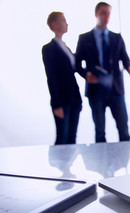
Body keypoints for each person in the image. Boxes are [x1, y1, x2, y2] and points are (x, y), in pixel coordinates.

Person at [75, 2, 130, 143]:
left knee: (124, 130)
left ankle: (126, 163)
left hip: (115, 89)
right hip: (96, 90)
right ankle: (102, 164)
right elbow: (77, 63)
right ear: (96, 14)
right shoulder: (84, 38)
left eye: (108, 13)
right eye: (103, 13)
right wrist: (85, 75)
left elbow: (125, 59)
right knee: (100, 132)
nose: (106, 16)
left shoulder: (117, 38)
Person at [42, 12, 82, 145]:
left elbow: (76, 68)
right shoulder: (48, 49)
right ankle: (59, 166)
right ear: (54, 24)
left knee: (72, 138)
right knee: (62, 138)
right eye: (63, 21)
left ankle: (68, 166)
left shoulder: (67, 48)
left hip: (74, 99)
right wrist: (57, 104)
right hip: (62, 101)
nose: (66, 24)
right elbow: (51, 77)